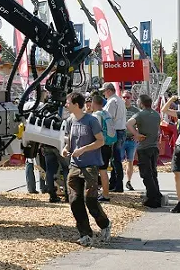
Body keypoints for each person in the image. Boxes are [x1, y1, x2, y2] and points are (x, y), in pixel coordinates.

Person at [62, 92, 112, 246]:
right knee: (74, 200)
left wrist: (83, 149)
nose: (66, 105)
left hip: (90, 166)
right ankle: (85, 234)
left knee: (90, 200)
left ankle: (105, 224)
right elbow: (69, 141)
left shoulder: (91, 120)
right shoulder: (69, 121)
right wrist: (65, 149)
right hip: (74, 165)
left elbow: (101, 141)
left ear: (76, 104)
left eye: (68, 102)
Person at [127, 94, 163, 208]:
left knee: (146, 174)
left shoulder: (140, 114)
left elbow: (128, 124)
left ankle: (153, 198)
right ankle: (157, 195)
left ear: (141, 103)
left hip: (144, 147)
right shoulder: (156, 115)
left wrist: (136, 134)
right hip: (154, 147)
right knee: (153, 173)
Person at [86, 91, 115, 202]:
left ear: (94, 103)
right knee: (103, 170)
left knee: (100, 171)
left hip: (100, 146)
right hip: (108, 144)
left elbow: (94, 131)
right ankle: (105, 194)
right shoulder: (106, 113)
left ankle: (104, 195)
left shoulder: (96, 115)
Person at [102, 82, 127, 192]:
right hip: (121, 130)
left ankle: (118, 185)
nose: (103, 94)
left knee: (115, 160)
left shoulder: (112, 101)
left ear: (108, 91)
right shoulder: (119, 100)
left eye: (104, 91)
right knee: (115, 159)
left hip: (115, 131)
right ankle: (114, 183)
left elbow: (108, 118)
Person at [122, 91, 141, 191]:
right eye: (124, 97)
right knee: (118, 161)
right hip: (121, 138)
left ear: (131, 98)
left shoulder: (136, 111)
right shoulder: (119, 109)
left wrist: (137, 134)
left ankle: (128, 181)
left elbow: (141, 124)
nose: (126, 99)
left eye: (128, 97)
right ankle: (118, 181)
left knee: (130, 161)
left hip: (131, 139)